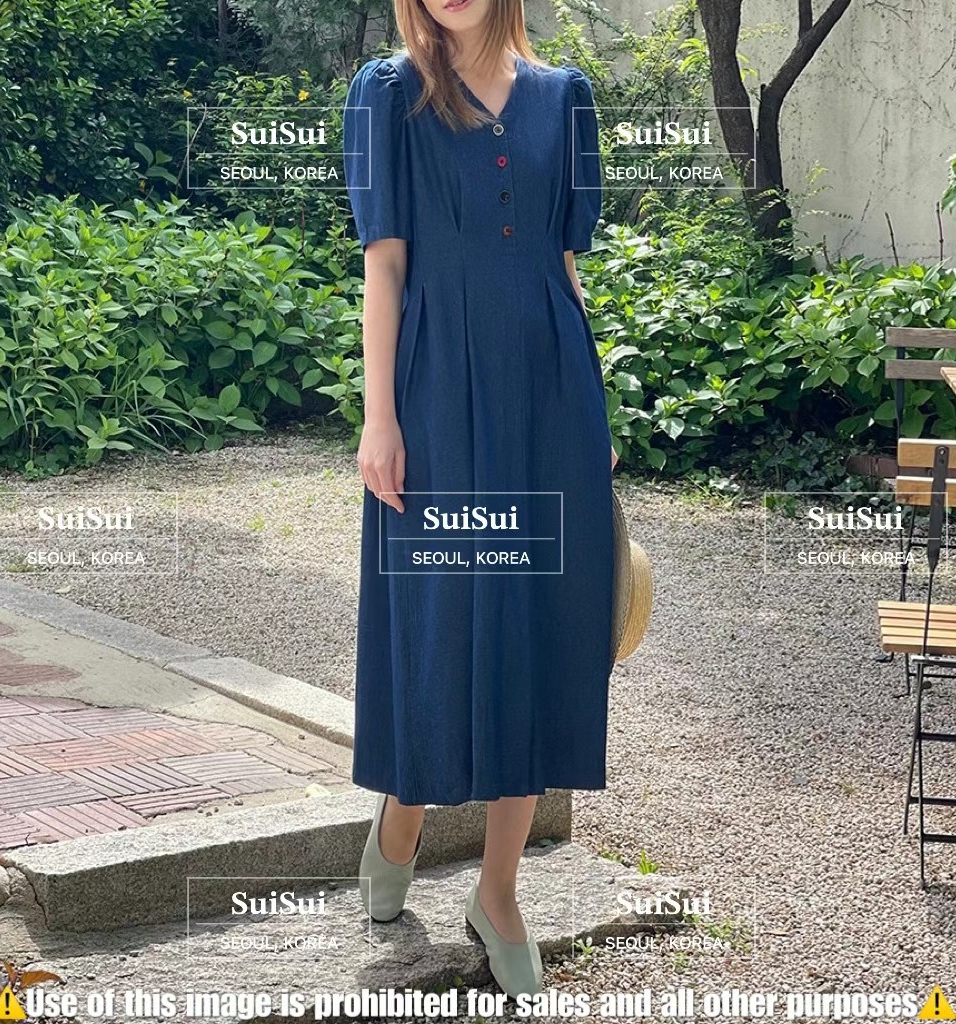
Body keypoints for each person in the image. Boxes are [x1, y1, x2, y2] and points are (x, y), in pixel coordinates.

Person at [342, 0, 613, 996]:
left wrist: (591, 412)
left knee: (540, 623)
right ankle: (403, 810)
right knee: (440, 611)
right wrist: (380, 419)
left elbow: (565, 265)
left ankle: (498, 892)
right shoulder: (386, 95)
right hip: (436, 390)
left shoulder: (566, 98)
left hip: (549, 390)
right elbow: (384, 266)